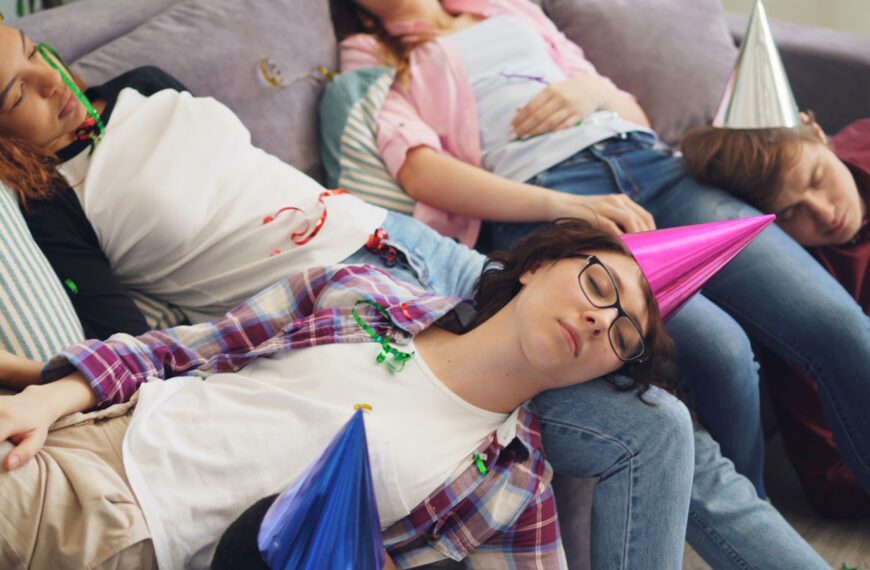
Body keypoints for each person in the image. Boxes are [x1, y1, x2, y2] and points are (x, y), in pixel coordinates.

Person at [0, 23, 825, 568]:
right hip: (342, 306)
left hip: (411, 252)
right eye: (17, 96)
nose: (50, 84)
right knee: (656, 428)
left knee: (708, 352)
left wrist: (568, 209)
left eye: (39, 54)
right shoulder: (53, 202)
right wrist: (45, 385)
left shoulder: (147, 84)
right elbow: (127, 333)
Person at [331, 0, 870, 512]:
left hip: (653, 161)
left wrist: (592, 91)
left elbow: (629, 107)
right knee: (724, 353)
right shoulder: (368, 53)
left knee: (841, 327)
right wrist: (563, 203)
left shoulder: (508, 9)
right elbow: (419, 170)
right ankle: (758, 531)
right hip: (548, 194)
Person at [0, 221, 680, 569]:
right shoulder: (363, 292)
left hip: (154, 551)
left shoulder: (512, 488)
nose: (600, 321)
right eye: (598, 288)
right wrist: (49, 398)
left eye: (623, 335)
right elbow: (181, 348)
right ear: (537, 267)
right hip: (91, 453)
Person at [681, 116, 870, 517]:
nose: (823, 213)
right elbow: (828, 479)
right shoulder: (804, 300)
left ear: (818, 131)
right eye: (789, 214)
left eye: (818, 178)